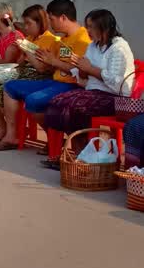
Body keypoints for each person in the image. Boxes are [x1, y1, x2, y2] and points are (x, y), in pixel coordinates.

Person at [40, 9, 135, 169]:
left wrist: (89, 69)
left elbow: (116, 83)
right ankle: (78, 152)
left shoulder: (119, 47)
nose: (88, 31)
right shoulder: (93, 46)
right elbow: (83, 75)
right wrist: (80, 67)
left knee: (73, 107)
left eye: (91, 27)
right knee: (57, 102)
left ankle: (84, 154)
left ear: (103, 28)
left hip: (114, 97)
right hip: (93, 91)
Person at [1, 0, 88, 156]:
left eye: (52, 19)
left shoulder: (83, 39)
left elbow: (81, 70)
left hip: (72, 85)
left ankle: (58, 141)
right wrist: (28, 51)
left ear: (63, 17)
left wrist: (52, 61)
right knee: (10, 86)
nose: (50, 23)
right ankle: (12, 136)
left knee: (33, 100)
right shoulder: (60, 40)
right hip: (54, 81)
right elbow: (44, 66)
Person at [0, 5, 57, 151]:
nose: (26, 28)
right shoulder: (29, 38)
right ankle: (7, 131)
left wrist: (26, 50)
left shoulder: (49, 40)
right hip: (23, 74)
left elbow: (41, 68)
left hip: (40, 77)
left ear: (40, 23)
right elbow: (20, 63)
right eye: (26, 23)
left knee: (6, 89)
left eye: (29, 24)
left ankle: (15, 134)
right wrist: (21, 51)